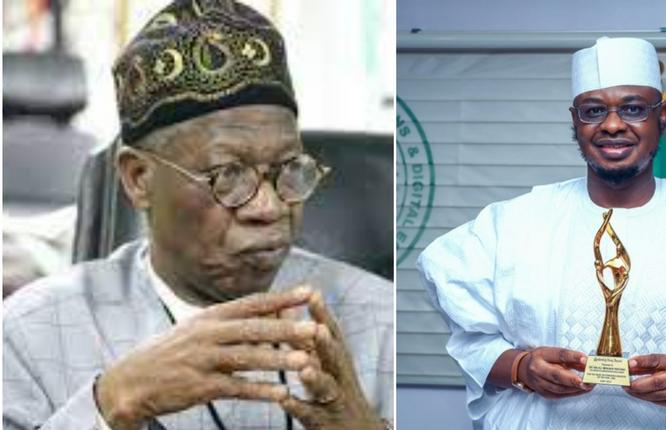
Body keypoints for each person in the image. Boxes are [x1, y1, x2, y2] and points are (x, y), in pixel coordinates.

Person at [3, 1, 393, 429]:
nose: (270, 207)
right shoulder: (34, 330)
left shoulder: (383, 322)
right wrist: (109, 403)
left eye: (290, 171)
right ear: (138, 179)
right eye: (228, 175)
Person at [418, 37, 666, 429]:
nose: (612, 125)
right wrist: (522, 367)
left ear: (661, 115)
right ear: (575, 120)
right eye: (594, 111)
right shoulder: (511, 226)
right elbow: (472, 341)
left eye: (632, 108)